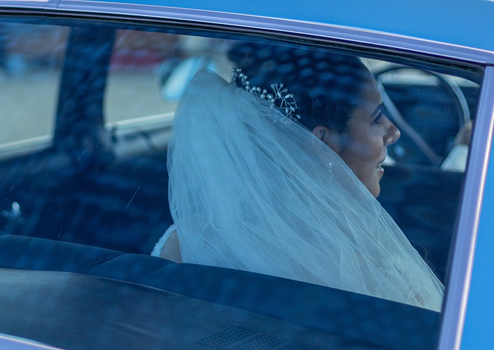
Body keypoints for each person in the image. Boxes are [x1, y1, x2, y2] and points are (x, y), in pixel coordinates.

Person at [154, 45, 443, 310]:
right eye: (377, 118)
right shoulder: (376, 271)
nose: (394, 132)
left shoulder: (185, 242)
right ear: (321, 143)